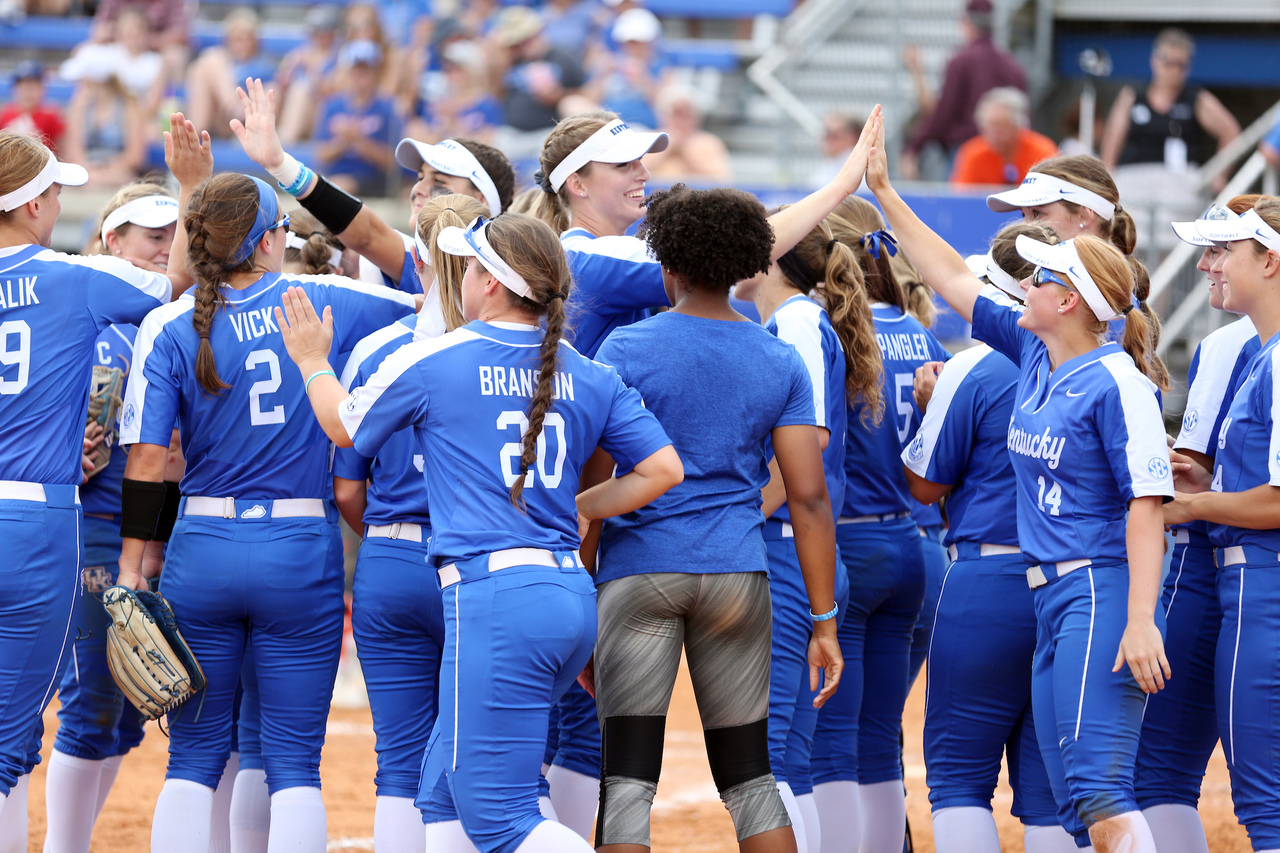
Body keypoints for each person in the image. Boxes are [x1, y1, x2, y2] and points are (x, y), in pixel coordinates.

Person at [276, 211, 683, 853]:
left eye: (468, 266)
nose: (460, 276)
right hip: (567, 592)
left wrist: (310, 360)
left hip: (495, 596)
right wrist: (585, 506)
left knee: (499, 816)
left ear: (490, 282)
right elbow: (664, 469)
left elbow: (343, 429)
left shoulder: (439, 356)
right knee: (440, 791)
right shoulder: (585, 368)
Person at [527, 107, 881, 834]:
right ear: (575, 183)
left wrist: (583, 567)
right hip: (718, 559)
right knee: (746, 773)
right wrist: (839, 186)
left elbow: (602, 479)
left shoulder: (634, 324)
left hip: (626, 549)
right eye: (623, 164)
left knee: (615, 770)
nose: (642, 173)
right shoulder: (586, 256)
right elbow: (740, 252)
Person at [867, 116, 1173, 853]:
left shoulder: (1115, 378)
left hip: (1097, 589)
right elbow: (948, 275)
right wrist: (881, 190)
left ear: (1069, 300)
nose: (1024, 282)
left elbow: (1146, 507)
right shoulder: (1039, 356)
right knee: (1069, 796)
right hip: (1048, 589)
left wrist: (1139, 617)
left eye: (1041, 275)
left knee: (1097, 786)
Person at [115, 163, 419, 852]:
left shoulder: (168, 323)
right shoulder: (324, 297)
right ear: (267, 241)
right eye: (281, 227)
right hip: (299, 546)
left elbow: (147, 460)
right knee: (292, 765)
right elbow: (429, 290)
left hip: (203, 544)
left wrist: (134, 570)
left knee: (191, 759)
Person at [588, 183, 843, 853]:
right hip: (738, 570)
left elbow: (591, 482)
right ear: (747, 263)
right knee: (750, 777)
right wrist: (823, 618)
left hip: (638, 570)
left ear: (666, 263)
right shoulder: (777, 355)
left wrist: (582, 586)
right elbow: (808, 495)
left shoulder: (625, 348)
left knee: (627, 782)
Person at [0, 129, 178, 852]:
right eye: (57, 192)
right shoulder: (71, 276)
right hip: (38, 517)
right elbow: (174, 287)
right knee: (9, 748)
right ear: (36, 201)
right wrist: (196, 187)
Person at [889, 213, 1082, 853]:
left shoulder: (977, 365)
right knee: (1050, 788)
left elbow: (924, 484)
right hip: (1072, 582)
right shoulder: (1096, 359)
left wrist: (924, 407)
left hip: (989, 578)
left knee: (958, 778)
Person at [330, 193, 486, 852]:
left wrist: (392, 538)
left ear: (416, 256)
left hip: (392, 561)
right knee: (477, 759)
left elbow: (346, 489)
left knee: (397, 761)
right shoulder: (505, 348)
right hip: (480, 565)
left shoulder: (375, 351)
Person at [41, 183, 191, 853]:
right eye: (150, 234)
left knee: (131, 712)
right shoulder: (100, 322)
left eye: (172, 234)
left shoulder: (179, 319)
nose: (164, 246)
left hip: (167, 530)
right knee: (95, 701)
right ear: (113, 241)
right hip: (99, 526)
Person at [733, 213, 882, 852]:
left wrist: (738, 517)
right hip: (800, 550)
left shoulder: (794, 320)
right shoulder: (793, 319)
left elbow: (808, 447)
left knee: (766, 759)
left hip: (787, 551)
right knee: (788, 758)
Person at [805, 195, 949, 853]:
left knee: (832, 742)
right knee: (880, 738)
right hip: (915, 546)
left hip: (850, 544)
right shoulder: (921, 333)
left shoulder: (827, 330)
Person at [1131, 198, 1260, 853]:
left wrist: (1182, 497)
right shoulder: (1244, 342)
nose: (1205, 262)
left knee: (1162, 775)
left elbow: (1213, 476)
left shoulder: (1238, 343)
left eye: (1220, 249)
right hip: (1237, 574)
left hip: (1232, 574)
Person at [1161, 198, 1280, 853]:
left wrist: (1194, 506)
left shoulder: (1275, 357)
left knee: (1267, 803)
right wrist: (1211, 486)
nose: (1207, 263)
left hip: (1264, 586)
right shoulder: (1264, 354)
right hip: (1253, 585)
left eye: (1223, 250)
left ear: (1269, 259)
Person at [233, 78, 514, 296]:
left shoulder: (518, 272)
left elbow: (366, 233)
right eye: (419, 177)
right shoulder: (416, 256)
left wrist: (282, 165)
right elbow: (364, 233)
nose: (419, 189)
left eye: (439, 181)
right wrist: (280, 165)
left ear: (482, 201)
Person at [986, 154, 1168, 381]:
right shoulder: (1091, 293)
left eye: (1038, 214)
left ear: (1084, 214)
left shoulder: (1101, 304)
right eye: (1023, 215)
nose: (1026, 227)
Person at [901, 0, 1027, 180]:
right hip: (1009, 153)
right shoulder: (1013, 65)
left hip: (964, 151)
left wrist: (913, 147)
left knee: (958, 206)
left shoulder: (961, 61)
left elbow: (943, 113)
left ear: (965, 22)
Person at [1100, 29, 1239, 189]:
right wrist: (1106, 184)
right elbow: (1110, 145)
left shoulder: (1196, 99)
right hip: (1134, 185)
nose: (1172, 70)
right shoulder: (1131, 96)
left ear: (1188, 67)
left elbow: (1231, 132)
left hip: (1179, 189)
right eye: (1167, 62)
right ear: (1154, 60)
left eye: (1179, 64)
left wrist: (1219, 175)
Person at [312, 40, 401, 197]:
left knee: (339, 187)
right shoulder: (332, 106)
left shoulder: (387, 109)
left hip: (371, 180)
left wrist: (360, 142)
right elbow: (321, 155)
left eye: (366, 71)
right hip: (335, 176)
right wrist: (343, 142)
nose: (360, 77)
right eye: (356, 71)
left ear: (376, 73)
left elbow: (392, 163)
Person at [185, 8, 276, 138]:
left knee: (212, 59)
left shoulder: (263, 65)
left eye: (245, 39)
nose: (241, 45)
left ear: (255, 41)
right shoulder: (225, 63)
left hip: (246, 119)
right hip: (221, 116)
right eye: (236, 40)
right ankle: (196, 130)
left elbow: (270, 92)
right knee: (201, 68)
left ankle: (193, 132)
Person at [495, 7, 587, 134]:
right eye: (516, 44)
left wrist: (558, 96)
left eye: (525, 41)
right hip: (512, 132)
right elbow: (494, 95)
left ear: (538, 34)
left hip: (551, 131)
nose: (521, 47)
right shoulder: (511, 62)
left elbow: (586, 95)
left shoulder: (563, 57)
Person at [951, 87, 1059, 187]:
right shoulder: (972, 153)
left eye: (1001, 127)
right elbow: (961, 196)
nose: (994, 135)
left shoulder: (1042, 150)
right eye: (988, 127)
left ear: (1019, 125)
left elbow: (1053, 190)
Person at [642, 85, 732, 183]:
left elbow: (721, 180)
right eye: (677, 114)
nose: (682, 120)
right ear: (664, 115)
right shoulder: (648, 139)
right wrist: (668, 146)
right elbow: (636, 171)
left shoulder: (709, 143)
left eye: (688, 114)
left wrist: (685, 150)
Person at [0, 61, 65, 154]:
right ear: (15, 88)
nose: (28, 91)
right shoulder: (5, 114)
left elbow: (65, 150)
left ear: (42, 88)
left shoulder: (51, 116)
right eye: (24, 86)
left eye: (33, 86)